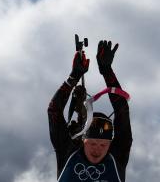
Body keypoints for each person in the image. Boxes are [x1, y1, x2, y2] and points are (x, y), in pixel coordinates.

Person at [48, 40, 132, 181]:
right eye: (92, 143)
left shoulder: (117, 156)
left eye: (103, 145)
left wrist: (107, 70)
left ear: (110, 143)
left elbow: (122, 110)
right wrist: (74, 76)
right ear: (83, 140)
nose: (97, 150)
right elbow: (54, 111)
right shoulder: (67, 151)